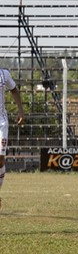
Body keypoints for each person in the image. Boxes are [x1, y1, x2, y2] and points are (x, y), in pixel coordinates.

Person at [0, 68, 25, 211]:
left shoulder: (4, 74)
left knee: (0, 160)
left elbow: (14, 90)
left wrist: (20, 110)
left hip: (1, 123)